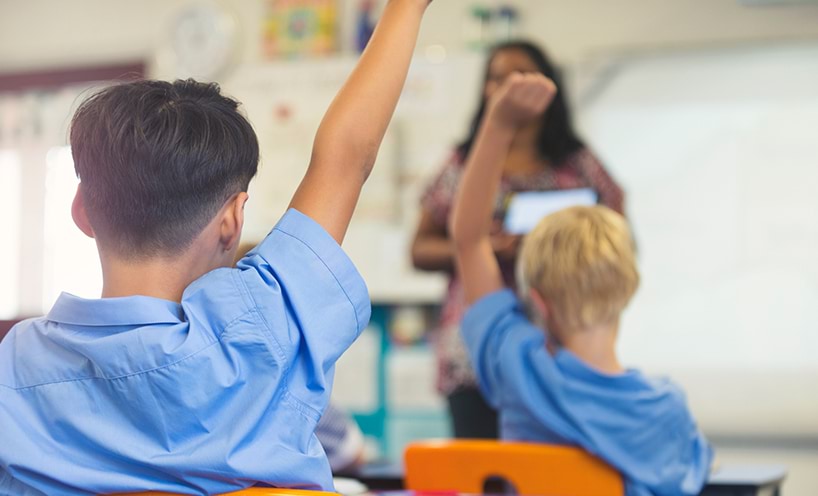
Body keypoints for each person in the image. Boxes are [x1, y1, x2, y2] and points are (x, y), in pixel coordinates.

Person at [0, 0, 432, 494]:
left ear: (81, 210)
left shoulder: (15, 365)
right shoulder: (266, 327)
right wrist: (406, 8)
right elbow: (347, 156)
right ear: (232, 219)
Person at [449, 72, 713, 496]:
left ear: (537, 300)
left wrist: (498, 124)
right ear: (628, 289)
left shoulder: (517, 368)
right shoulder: (667, 410)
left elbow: (469, 239)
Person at [411, 40, 624, 439]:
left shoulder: (578, 162)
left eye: (518, 76)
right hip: (478, 350)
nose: (505, 86)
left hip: (564, 345)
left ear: (547, 84)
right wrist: (485, 248)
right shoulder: (462, 162)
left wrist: (558, 246)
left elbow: (616, 237)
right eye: (494, 78)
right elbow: (420, 249)